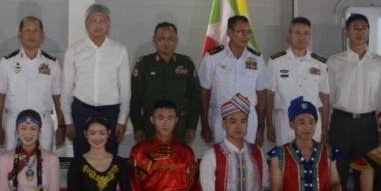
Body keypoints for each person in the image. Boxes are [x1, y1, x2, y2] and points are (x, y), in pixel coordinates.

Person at [326, 13, 381, 191]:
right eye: (355, 28)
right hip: (341, 122)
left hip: (368, 124)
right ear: (347, 32)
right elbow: (327, 96)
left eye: (363, 28)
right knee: (338, 172)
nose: (360, 32)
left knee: (366, 173)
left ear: (369, 32)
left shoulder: (378, 62)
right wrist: (326, 126)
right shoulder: (334, 61)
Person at [62, 4, 130, 155]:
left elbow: (125, 88)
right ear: (86, 24)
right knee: (81, 158)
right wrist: (68, 121)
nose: (98, 25)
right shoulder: (73, 51)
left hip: (110, 112)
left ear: (109, 24)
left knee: (109, 157)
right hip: (81, 111)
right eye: (93, 20)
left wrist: (122, 120)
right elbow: (66, 88)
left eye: (102, 21)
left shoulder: (119, 51)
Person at [0, 16, 64, 151]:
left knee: (43, 161)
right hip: (14, 120)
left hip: (43, 121)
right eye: (27, 31)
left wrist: (61, 126)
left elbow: (58, 97)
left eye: (35, 31)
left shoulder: (52, 63)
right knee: (13, 161)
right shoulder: (7, 62)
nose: (31, 35)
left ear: (42, 35)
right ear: (20, 35)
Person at [199, 15, 267, 146]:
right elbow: (204, 92)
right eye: (241, 32)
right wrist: (204, 124)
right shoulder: (213, 57)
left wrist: (260, 127)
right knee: (222, 155)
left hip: (249, 119)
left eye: (248, 32)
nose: (245, 36)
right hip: (221, 118)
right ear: (229, 32)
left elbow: (261, 94)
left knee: (248, 155)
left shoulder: (257, 59)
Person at [130, 22, 201, 143]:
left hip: (179, 125)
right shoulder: (144, 64)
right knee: (150, 154)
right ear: (154, 40)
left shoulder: (186, 63)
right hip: (151, 124)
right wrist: (138, 127)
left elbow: (195, 97)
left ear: (176, 40)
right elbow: (135, 99)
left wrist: (191, 126)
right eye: (161, 39)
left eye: (170, 39)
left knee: (178, 154)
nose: (166, 43)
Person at [265, 17, 330, 147]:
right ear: (289, 36)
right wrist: (269, 124)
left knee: (312, 158)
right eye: (297, 33)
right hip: (285, 123)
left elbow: (324, 96)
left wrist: (325, 126)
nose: (302, 37)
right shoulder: (276, 61)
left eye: (306, 33)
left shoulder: (320, 62)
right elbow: (269, 95)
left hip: (312, 124)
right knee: (285, 158)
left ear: (310, 36)